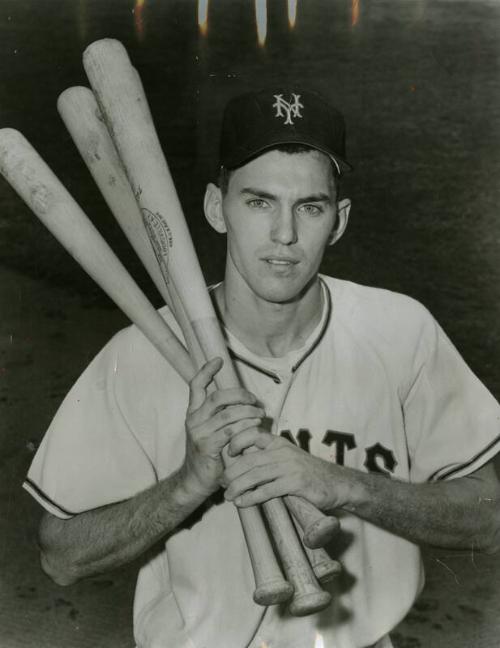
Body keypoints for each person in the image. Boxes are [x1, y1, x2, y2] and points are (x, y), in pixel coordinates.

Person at [24, 89, 500, 648]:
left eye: (310, 206)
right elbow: (60, 555)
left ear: (339, 220)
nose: (285, 235)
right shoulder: (140, 352)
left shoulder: (402, 332)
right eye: (258, 201)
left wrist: (345, 486)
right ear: (213, 207)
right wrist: (187, 486)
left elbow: (486, 518)